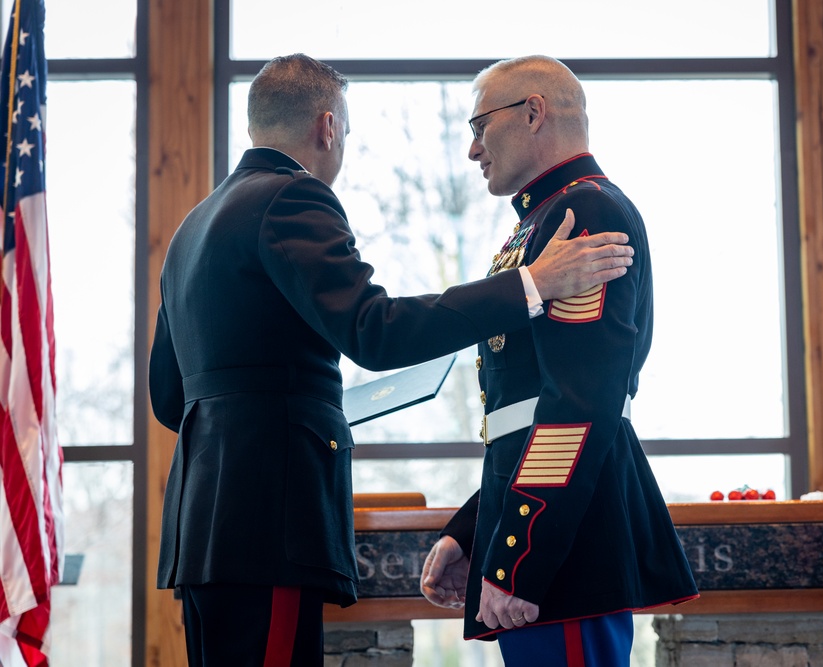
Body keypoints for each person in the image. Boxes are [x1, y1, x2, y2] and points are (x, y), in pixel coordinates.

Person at [148, 53, 635, 667]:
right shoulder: (294, 198)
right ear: (328, 127)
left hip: (202, 530)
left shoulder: (192, 228)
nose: (473, 150)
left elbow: (169, 397)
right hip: (270, 521)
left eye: (480, 127)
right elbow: (375, 333)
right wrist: (529, 286)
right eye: (346, 134)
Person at [420, 55, 699, 665]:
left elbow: (579, 401)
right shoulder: (544, 221)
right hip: (557, 529)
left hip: (565, 546)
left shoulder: (585, 213)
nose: (472, 151)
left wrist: (522, 550)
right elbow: (522, 412)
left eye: (478, 127)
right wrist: (475, 529)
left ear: (533, 112)